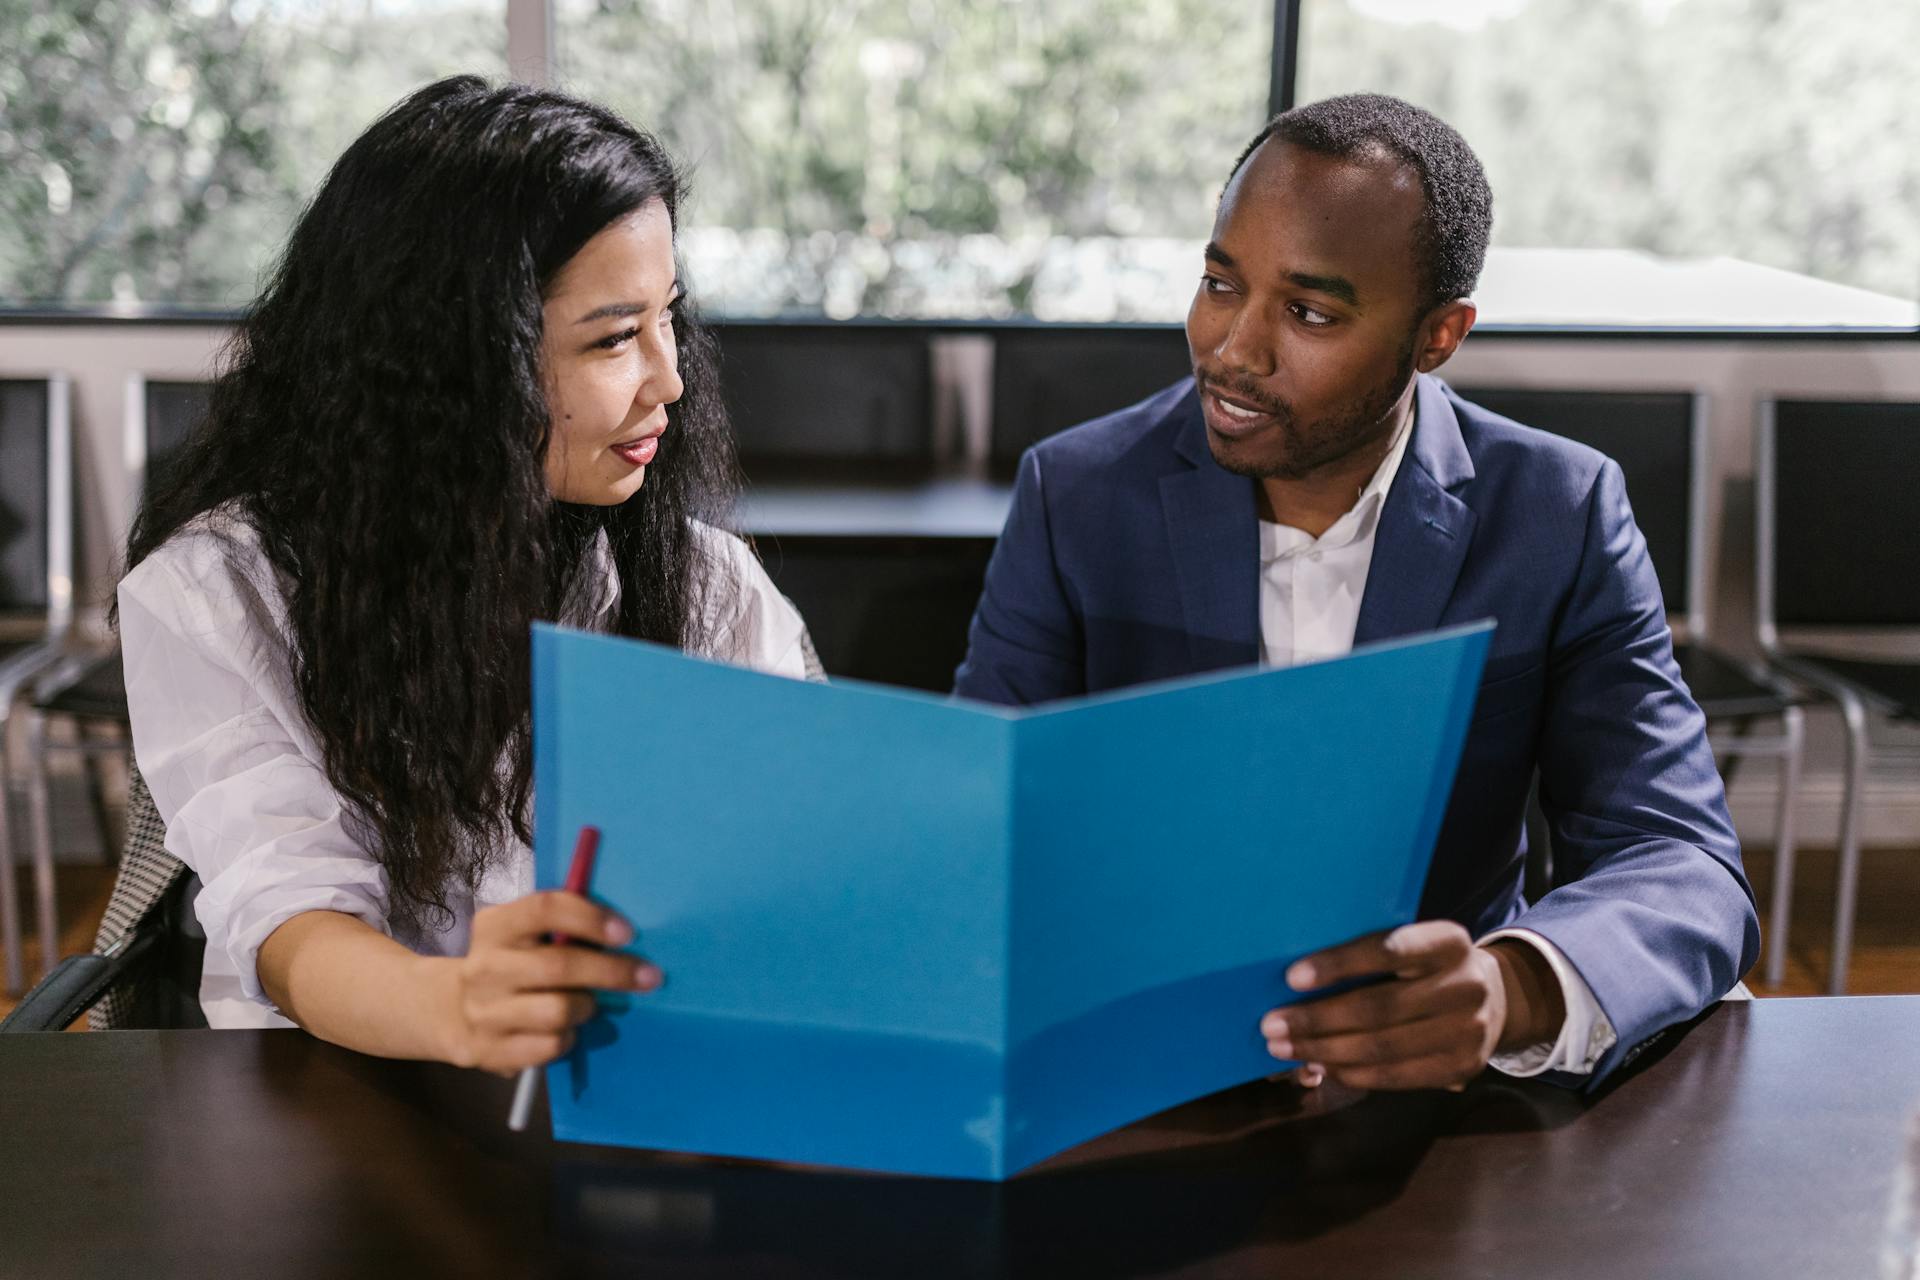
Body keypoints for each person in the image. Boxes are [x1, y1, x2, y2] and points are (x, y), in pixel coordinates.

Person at [954, 93, 1758, 1091]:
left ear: (1438, 335)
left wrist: (1510, 986)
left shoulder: (1559, 511)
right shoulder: (1076, 495)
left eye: (1309, 312)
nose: (1233, 347)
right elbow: (981, 826)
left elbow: (1682, 861)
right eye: (1219, 281)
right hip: (1136, 1078)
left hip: (1434, 1108)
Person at [117, 76, 817, 1073]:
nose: (670, 378)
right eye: (613, 336)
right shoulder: (221, 593)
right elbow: (293, 923)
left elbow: (789, 871)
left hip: (631, 1097)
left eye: (669, 318)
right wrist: (452, 1006)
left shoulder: (710, 586)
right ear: (451, 366)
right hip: (337, 1112)